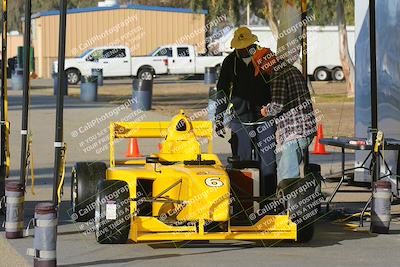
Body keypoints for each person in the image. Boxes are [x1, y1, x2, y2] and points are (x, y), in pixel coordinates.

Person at [215, 27, 277, 196]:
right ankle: (243, 200)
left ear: (252, 43)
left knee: (268, 161)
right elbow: (222, 90)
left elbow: (277, 84)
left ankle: (268, 199)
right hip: (240, 120)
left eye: (246, 45)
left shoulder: (265, 58)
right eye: (239, 47)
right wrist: (219, 117)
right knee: (240, 163)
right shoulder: (229, 62)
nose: (242, 49)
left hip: (265, 120)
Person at [260, 62, 317, 182]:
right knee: (283, 173)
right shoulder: (291, 69)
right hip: (303, 129)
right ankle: (285, 200)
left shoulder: (277, 73)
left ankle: (290, 200)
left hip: (294, 132)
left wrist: (266, 110)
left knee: (288, 178)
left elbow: (278, 105)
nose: (264, 73)